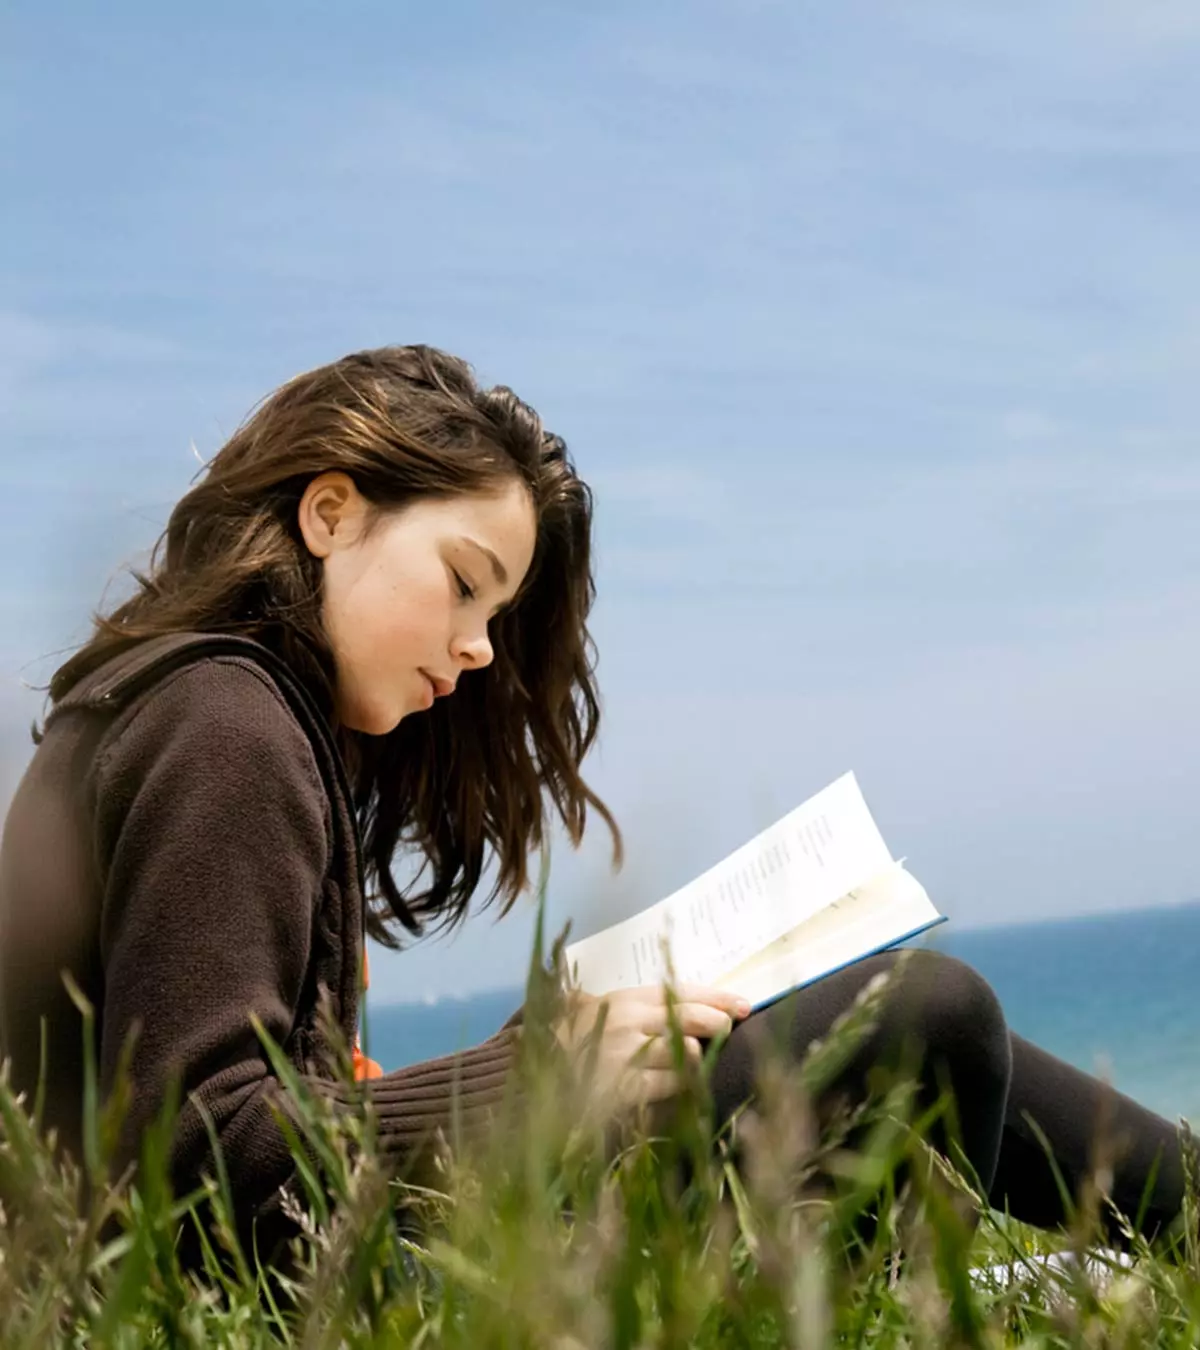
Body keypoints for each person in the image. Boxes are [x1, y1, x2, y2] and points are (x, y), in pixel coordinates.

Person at [0, 346, 1188, 1272]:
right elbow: (197, 1160)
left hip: (350, 1264)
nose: (472, 650)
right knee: (925, 1012)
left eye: (495, 619)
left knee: (913, 1022)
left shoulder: (198, 708)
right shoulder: (225, 722)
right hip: (335, 1296)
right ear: (330, 513)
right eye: (465, 585)